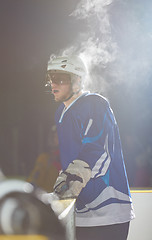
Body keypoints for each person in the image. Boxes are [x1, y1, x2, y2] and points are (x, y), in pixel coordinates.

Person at [45, 55, 135, 240]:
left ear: (78, 81)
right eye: (51, 78)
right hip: (81, 211)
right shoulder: (60, 112)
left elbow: (97, 149)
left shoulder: (94, 103)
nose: (53, 84)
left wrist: (72, 176)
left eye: (60, 79)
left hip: (107, 208)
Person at [27, 125, 61, 192]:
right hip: (46, 196)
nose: (55, 139)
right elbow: (35, 176)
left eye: (58, 137)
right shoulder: (45, 158)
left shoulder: (69, 159)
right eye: (54, 137)